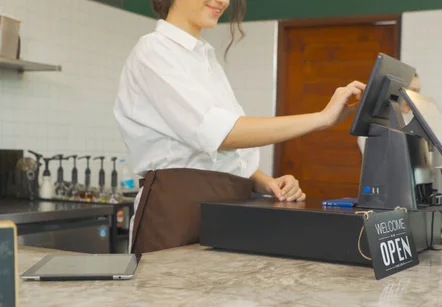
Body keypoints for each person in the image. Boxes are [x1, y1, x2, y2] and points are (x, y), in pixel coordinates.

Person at [113, 0, 365, 254]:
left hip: (225, 209)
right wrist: (322, 118)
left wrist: (265, 182)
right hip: (176, 212)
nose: (223, 1)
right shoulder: (154, 51)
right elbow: (224, 134)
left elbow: (215, 154)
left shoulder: (206, 60)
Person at [356, 73, 421, 154]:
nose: (415, 99)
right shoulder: (373, 128)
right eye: (412, 91)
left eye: (418, 92)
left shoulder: (409, 123)